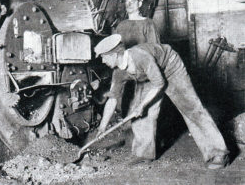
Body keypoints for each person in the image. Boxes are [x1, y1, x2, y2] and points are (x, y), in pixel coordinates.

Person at [94, 34, 229, 169]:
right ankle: (144, 154)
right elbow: (112, 99)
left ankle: (218, 153)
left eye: (103, 57)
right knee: (142, 113)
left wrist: (142, 105)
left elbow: (159, 83)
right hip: (148, 76)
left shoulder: (140, 57)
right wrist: (102, 126)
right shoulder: (118, 73)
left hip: (171, 68)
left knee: (191, 108)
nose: (103, 61)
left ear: (114, 55)